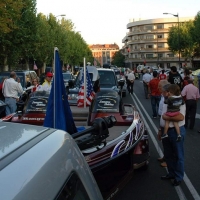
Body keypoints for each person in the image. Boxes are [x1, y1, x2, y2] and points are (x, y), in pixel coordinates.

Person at [159, 89, 186, 186]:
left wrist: (167, 117)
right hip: (166, 131)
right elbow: (162, 115)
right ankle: (171, 173)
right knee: (168, 154)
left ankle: (178, 177)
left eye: (165, 91)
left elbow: (180, 117)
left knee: (178, 155)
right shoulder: (166, 101)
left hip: (175, 131)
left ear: (169, 92)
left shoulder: (179, 101)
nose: (163, 93)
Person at [157, 80, 170, 168]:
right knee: (165, 143)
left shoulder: (168, 98)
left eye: (159, 86)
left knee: (168, 144)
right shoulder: (162, 96)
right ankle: (165, 157)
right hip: (162, 123)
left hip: (167, 125)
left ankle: (168, 161)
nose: (158, 88)